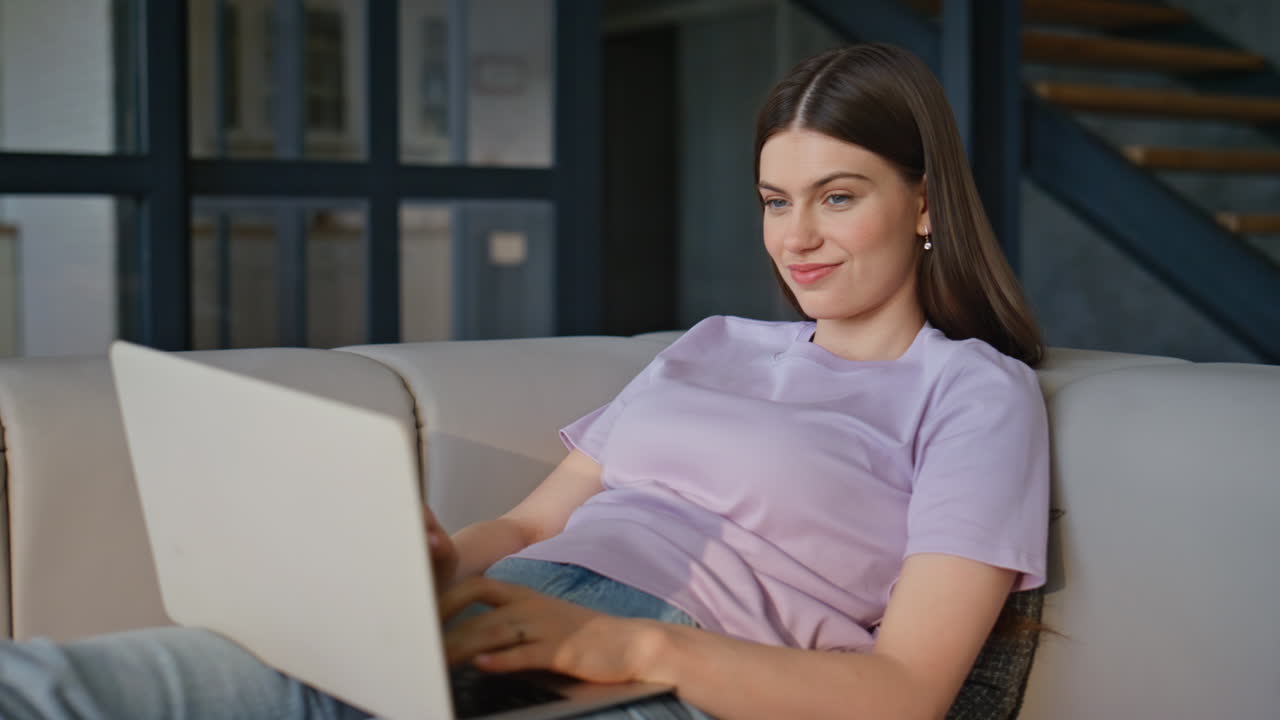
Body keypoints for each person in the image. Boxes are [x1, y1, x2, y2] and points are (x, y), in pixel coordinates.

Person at [0, 42, 1049, 720]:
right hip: (501, 614)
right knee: (56, 687)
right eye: (775, 201)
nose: (797, 237)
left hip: (665, 677)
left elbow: (905, 691)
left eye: (836, 196)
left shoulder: (970, 394)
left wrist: (624, 643)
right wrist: (433, 559)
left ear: (921, 203)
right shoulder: (711, 343)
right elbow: (536, 521)